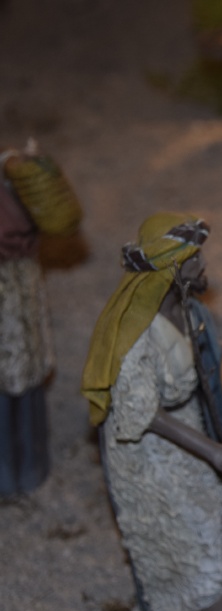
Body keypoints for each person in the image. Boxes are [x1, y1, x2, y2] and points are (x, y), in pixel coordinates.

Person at [81, 212, 222, 611]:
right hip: (150, 447)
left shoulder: (187, 310)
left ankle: (210, 606)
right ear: (172, 268)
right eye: (193, 259)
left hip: (184, 423)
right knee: (185, 529)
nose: (202, 265)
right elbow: (144, 413)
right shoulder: (136, 335)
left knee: (207, 512)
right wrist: (211, 450)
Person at [0, 141, 83, 497]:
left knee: (18, 380)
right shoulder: (13, 169)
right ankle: (27, 470)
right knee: (21, 376)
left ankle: (18, 474)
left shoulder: (12, 172)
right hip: (22, 282)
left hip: (16, 288)